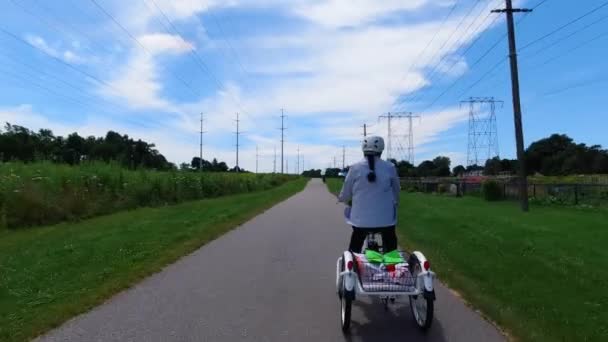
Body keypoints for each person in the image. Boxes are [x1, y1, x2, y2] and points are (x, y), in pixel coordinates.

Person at [338, 136, 401, 253]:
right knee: (390, 238)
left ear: (363, 150)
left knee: (357, 237)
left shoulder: (354, 168)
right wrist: (396, 202)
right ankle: (392, 263)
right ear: (381, 150)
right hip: (385, 221)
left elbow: (346, 191)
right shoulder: (390, 167)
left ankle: (354, 262)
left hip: (360, 222)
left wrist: (342, 198)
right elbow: (396, 190)